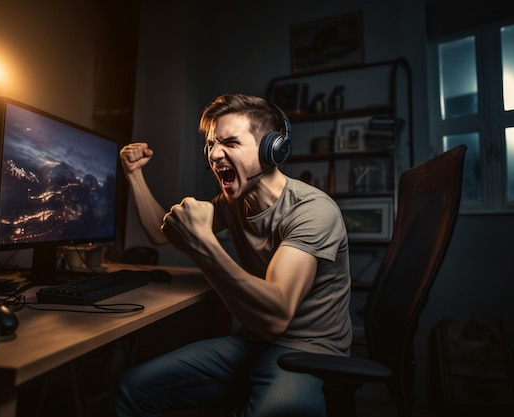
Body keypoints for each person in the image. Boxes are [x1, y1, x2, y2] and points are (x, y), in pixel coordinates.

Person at [116, 93, 352, 416]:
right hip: (252, 343)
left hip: (309, 351)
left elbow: (277, 316)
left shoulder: (312, 211)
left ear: (273, 149)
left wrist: (203, 245)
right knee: (133, 388)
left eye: (230, 143)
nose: (214, 155)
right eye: (211, 145)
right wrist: (134, 176)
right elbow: (162, 234)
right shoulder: (233, 205)